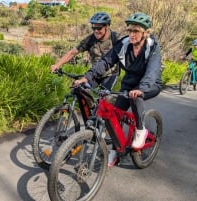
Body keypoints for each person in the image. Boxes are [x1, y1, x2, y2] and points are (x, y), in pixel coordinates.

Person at [73, 13, 162, 167]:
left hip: (150, 84)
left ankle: (141, 130)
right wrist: (87, 78)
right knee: (113, 114)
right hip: (129, 85)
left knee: (135, 97)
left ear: (145, 33)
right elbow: (106, 62)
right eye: (130, 31)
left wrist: (142, 88)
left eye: (136, 31)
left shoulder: (152, 46)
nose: (132, 35)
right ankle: (116, 149)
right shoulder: (124, 44)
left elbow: (152, 71)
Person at [51, 12, 121, 90]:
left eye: (99, 28)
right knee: (80, 90)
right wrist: (58, 64)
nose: (96, 31)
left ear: (107, 26)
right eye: (93, 28)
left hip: (110, 74)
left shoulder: (116, 39)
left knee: (104, 96)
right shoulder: (90, 39)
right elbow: (73, 52)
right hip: (94, 74)